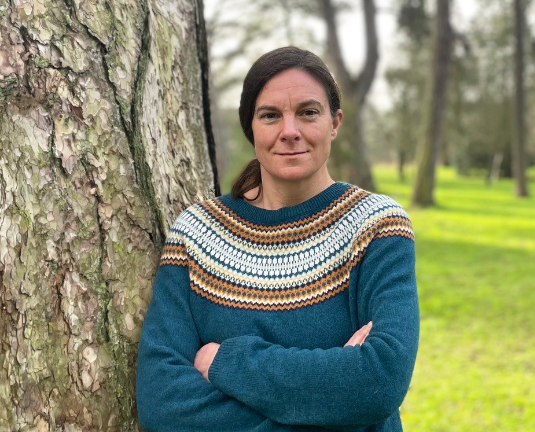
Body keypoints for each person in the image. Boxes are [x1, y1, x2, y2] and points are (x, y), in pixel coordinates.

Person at [135, 46, 420, 432]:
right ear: (250, 127)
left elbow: (379, 382)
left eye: (308, 112)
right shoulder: (195, 234)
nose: (290, 131)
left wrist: (224, 363)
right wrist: (333, 407)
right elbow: (162, 405)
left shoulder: (377, 227)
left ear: (335, 122)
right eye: (270, 116)